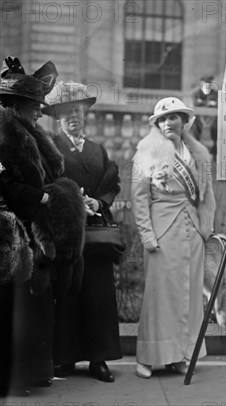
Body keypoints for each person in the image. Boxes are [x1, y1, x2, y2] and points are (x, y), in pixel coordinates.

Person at [41, 81, 123, 382]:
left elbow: (111, 185)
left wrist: (97, 202)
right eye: (66, 113)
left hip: (96, 235)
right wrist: (74, 202)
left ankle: (98, 359)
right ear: (58, 119)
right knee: (68, 293)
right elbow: (46, 185)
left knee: (98, 296)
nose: (73, 117)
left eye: (78, 111)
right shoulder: (51, 148)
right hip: (67, 233)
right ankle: (64, 359)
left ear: (85, 115)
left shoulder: (98, 150)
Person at [131, 97, 216, 379]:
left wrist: (206, 228)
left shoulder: (199, 154)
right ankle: (146, 357)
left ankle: (180, 355)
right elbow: (139, 197)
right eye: (163, 119)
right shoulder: (147, 150)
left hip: (191, 230)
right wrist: (146, 233)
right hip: (162, 228)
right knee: (159, 295)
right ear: (156, 123)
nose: (168, 123)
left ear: (184, 121)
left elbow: (207, 197)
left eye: (173, 117)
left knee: (189, 296)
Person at [0, 57, 62, 396]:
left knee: (29, 306)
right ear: (18, 106)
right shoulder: (5, 133)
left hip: (30, 232)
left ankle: (31, 373)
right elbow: (7, 184)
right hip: (10, 233)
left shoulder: (27, 132)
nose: (39, 111)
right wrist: (41, 199)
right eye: (34, 105)